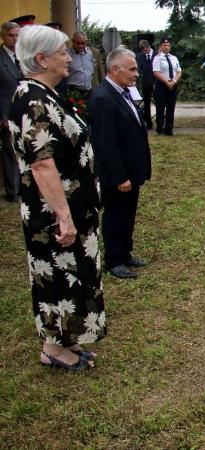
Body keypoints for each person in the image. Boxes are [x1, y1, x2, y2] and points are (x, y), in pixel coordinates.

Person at [10, 25, 105, 370]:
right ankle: (53, 350)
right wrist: (64, 216)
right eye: (62, 52)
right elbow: (42, 164)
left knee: (73, 275)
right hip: (53, 214)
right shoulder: (33, 99)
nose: (68, 57)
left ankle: (65, 341)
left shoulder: (44, 92)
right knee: (56, 278)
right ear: (41, 58)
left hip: (71, 208)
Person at [89, 47, 152, 280]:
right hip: (118, 174)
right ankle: (114, 260)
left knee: (128, 212)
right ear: (115, 69)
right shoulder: (103, 98)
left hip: (131, 171)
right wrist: (119, 177)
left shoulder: (122, 92)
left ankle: (125, 252)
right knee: (116, 215)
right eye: (132, 69)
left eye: (136, 68)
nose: (137, 74)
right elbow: (105, 144)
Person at [1, 21, 21, 203]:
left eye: (17, 35)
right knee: (10, 151)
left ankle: (21, 185)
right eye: (11, 36)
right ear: (3, 36)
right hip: (6, 113)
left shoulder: (23, 56)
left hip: (23, 111)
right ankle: (12, 190)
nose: (15, 39)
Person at [152, 37, 182, 136]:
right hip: (161, 84)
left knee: (171, 107)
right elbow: (156, 72)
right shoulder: (157, 58)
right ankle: (160, 129)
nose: (166, 47)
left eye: (168, 45)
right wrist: (166, 82)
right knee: (160, 108)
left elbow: (179, 71)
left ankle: (169, 129)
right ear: (161, 46)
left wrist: (173, 81)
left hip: (173, 84)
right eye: (164, 45)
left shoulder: (174, 58)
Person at [66, 31, 104, 103]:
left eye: (83, 43)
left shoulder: (95, 53)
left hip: (91, 91)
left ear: (87, 42)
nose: (80, 45)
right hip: (73, 92)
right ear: (73, 41)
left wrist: (103, 89)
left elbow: (101, 72)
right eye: (78, 43)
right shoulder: (66, 54)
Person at [136, 39, 155, 129]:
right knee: (146, 104)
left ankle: (160, 121)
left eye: (146, 50)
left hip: (156, 83)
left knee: (159, 103)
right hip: (145, 83)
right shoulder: (140, 56)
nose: (145, 52)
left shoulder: (156, 55)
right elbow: (139, 70)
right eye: (143, 51)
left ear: (149, 47)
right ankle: (148, 123)